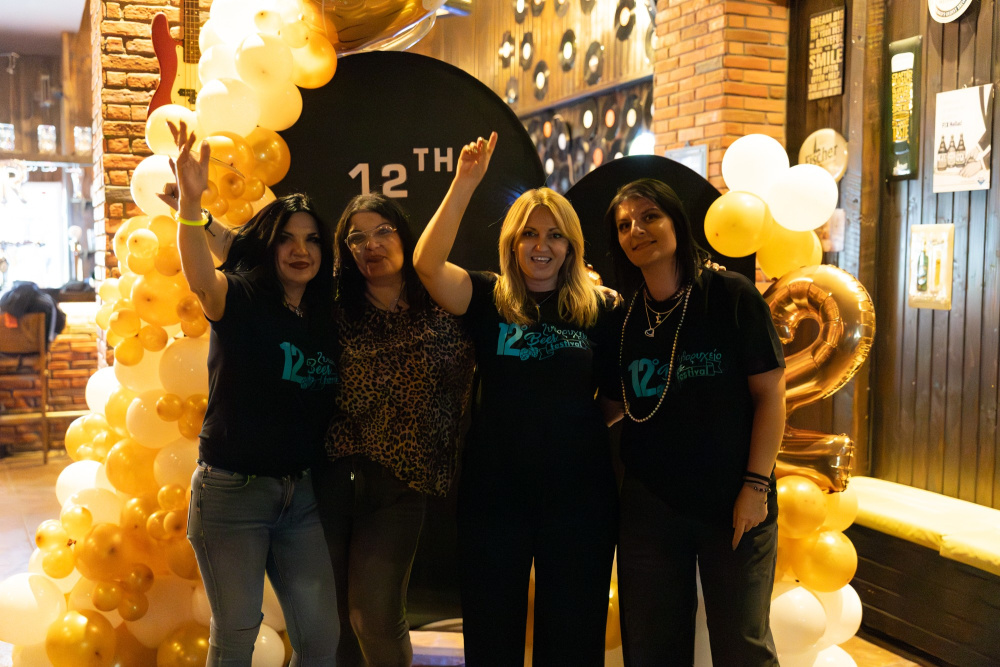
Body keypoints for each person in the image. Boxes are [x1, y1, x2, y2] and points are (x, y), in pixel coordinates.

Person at [412, 132, 619, 666]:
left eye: (554, 235)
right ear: (512, 243)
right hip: (494, 494)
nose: (541, 245)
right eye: (529, 234)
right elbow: (427, 265)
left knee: (572, 635)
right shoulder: (488, 297)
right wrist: (465, 183)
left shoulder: (599, 310)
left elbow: (616, 398)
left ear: (570, 246)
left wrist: (568, 433)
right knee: (492, 631)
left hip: (578, 496)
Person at [170, 121, 340, 666]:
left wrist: (210, 222)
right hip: (232, 493)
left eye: (312, 239)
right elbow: (203, 277)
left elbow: (235, 243)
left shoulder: (325, 312)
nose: (300, 250)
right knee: (238, 632)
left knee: (320, 637)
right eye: (287, 238)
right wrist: (190, 207)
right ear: (271, 246)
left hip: (300, 495)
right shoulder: (241, 298)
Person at [601, 179, 786, 666]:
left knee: (742, 648)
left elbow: (770, 396)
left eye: (649, 217)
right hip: (649, 509)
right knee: (651, 649)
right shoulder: (623, 318)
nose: (637, 230)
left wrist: (755, 486)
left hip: (733, 501)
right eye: (624, 225)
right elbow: (616, 403)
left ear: (676, 222)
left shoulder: (730, 295)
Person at [312, 192, 475, 667]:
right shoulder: (333, 307)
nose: (371, 245)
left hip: (401, 485)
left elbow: (520, 299)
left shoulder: (445, 300)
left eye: (382, 230)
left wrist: (594, 294)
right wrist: (197, 216)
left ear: (404, 234)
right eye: (356, 237)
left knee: (375, 615)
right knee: (332, 620)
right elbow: (260, 270)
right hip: (332, 478)